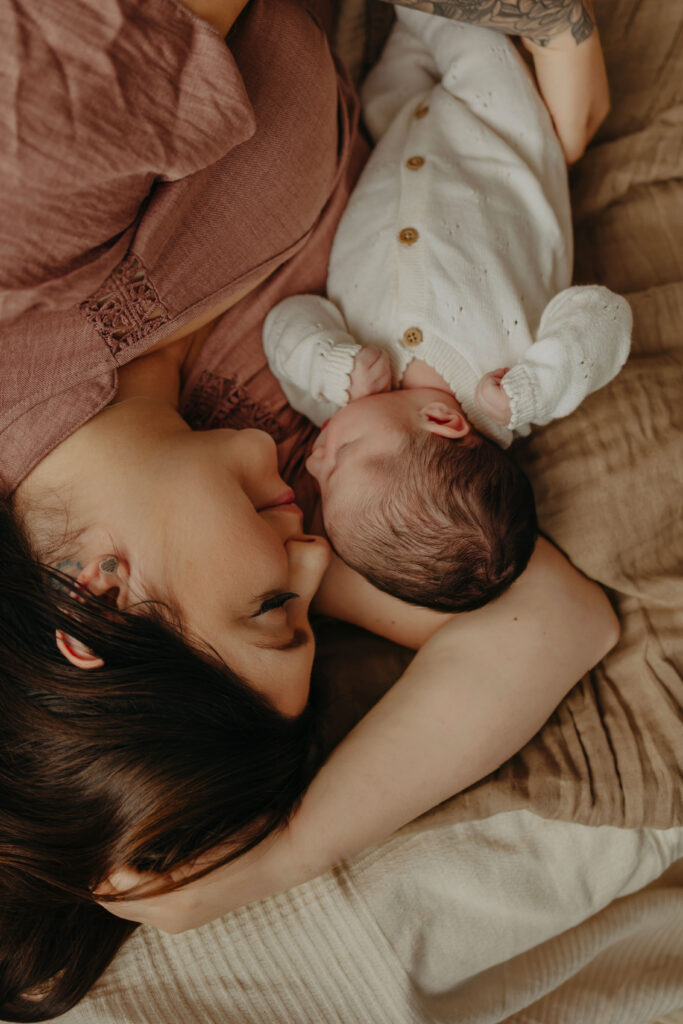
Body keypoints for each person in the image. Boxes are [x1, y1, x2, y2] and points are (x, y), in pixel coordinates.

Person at [0, 0, 616, 1019]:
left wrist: (547, 24)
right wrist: (280, 858)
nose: (319, 567)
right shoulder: (304, 462)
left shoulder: (22, 281)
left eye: (269, 612)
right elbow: (546, 625)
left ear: (97, 603)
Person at [262, 8, 631, 613]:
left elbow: (284, 322)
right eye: (342, 462)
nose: (316, 458)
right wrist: (534, 386)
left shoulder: (331, 394)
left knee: (378, 65)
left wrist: (331, 361)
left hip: (395, 123)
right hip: (498, 122)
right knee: (454, 23)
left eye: (318, 481)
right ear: (443, 422)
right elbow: (605, 318)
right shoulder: (517, 387)